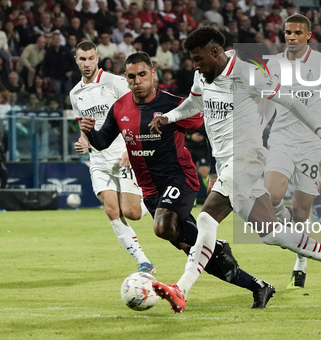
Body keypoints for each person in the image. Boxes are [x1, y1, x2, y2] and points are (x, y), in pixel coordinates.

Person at [148, 27, 321, 313]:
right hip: (227, 162)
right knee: (272, 233)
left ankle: (181, 288)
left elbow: (291, 100)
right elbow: (195, 103)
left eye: (198, 59)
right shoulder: (203, 75)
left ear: (215, 52)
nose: (194, 65)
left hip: (246, 157)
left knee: (208, 218)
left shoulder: (249, 74)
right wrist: (168, 116)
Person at [80, 51, 276, 309]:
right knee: (195, 250)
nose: (137, 81)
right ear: (126, 79)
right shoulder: (120, 107)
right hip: (150, 190)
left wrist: (214, 169)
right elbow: (102, 141)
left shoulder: (174, 104)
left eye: (142, 74)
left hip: (179, 179)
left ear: (153, 73)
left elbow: (210, 131)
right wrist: (89, 131)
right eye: (131, 76)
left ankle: (212, 247)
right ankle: (258, 286)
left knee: (162, 227)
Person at [263, 13, 321, 289]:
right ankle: (286, 225)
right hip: (281, 139)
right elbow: (267, 104)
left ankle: (300, 263)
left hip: (313, 145)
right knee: (272, 195)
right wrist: (257, 133)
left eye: (298, 33)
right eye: (288, 32)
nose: (291, 36)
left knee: (302, 212)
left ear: (308, 35)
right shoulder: (273, 63)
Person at [69, 40, 154, 274]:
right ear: (76, 60)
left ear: (97, 58)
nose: (87, 64)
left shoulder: (115, 83)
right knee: (111, 210)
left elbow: (137, 112)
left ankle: (157, 199)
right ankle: (143, 262)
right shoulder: (75, 93)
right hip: (98, 159)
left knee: (133, 213)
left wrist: (130, 148)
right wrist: (83, 141)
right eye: (82, 59)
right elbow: (84, 128)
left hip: (122, 154)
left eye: (91, 58)